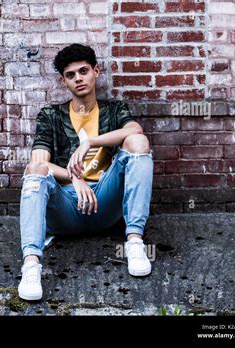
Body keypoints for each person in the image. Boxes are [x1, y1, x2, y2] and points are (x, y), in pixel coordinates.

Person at [17, 44, 154, 301]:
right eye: (71, 75)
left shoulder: (113, 110)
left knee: (139, 143)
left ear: (96, 71)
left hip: (104, 203)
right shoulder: (51, 116)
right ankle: (31, 265)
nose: (78, 78)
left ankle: (134, 242)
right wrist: (75, 178)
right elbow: (39, 164)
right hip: (66, 207)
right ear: (64, 81)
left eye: (83, 71)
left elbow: (135, 131)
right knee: (34, 170)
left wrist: (90, 142)